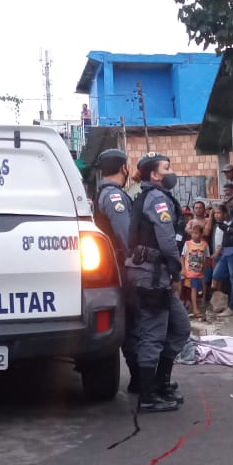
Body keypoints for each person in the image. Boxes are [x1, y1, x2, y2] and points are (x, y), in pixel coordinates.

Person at [125, 152, 191, 412]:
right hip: (151, 275)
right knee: (153, 333)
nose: (171, 171)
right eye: (167, 167)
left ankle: (161, 383)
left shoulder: (152, 196)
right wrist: (177, 270)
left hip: (154, 274)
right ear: (154, 175)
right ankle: (148, 396)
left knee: (180, 327)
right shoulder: (156, 198)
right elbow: (166, 241)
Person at [92, 148, 139, 391]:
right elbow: (126, 236)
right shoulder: (114, 197)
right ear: (124, 168)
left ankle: (140, 377)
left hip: (119, 268)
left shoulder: (104, 193)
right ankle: (140, 379)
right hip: (124, 268)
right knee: (134, 323)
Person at [181, 223, 210, 318]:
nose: (194, 235)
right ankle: (195, 309)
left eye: (196, 233)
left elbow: (207, 258)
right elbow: (183, 257)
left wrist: (204, 269)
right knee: (193, 289)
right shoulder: (187, 244)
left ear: (201, 234)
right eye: (193, 233)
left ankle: (196, 307)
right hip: (190, 273)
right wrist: (183, 269)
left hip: (200, 273)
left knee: (199, 290)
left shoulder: (205, 245)